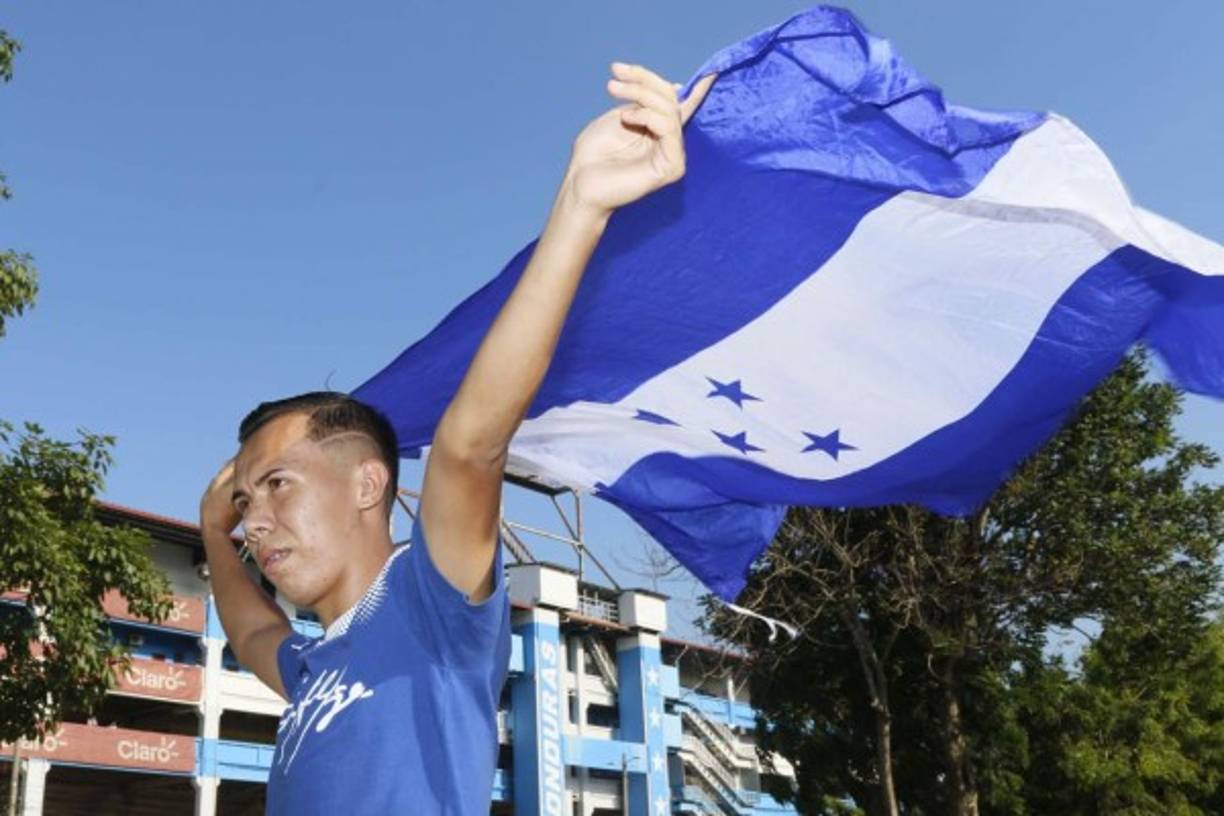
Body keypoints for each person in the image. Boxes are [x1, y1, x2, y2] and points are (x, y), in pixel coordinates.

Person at [198, 63, 717, 814]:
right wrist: (217, 531)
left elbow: (469, 445)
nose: (257, 519)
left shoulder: (430, 602)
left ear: (369, 484)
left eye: (277, 484)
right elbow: (249, 630)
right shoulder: (314, 667)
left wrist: (581, 205)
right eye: (247, 501)